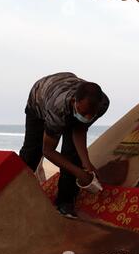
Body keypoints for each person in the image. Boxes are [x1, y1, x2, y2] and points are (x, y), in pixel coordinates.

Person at [19, 72, 110, 219]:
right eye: (83, 112)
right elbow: (48, 151)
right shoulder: (58, 109)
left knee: (73, 154)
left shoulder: (102, 104)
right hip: (40, 97)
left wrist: (86, 164)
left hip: (64, 88)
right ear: (75, 101)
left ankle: (64, 203)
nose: (87, 117)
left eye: (91, 115)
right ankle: (15, 192)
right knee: (32, 153)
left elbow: (80, 128)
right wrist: (78, 173)